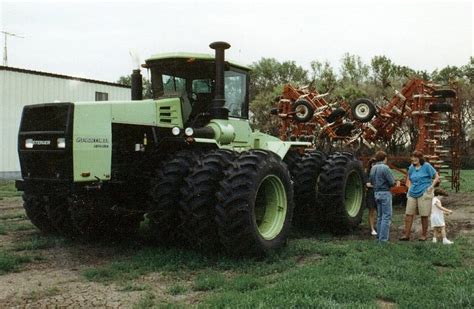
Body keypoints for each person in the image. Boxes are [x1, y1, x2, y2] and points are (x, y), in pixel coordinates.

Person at [400, 151, 440, 241]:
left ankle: (424, 235)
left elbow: (437, 177)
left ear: (420, 158)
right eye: (412, 157)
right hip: (412, 193)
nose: (413, 159)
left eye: (416, 157)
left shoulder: (427, 166)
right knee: (408, 214)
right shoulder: (411, 168)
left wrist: (431, 187)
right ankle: (406, 235)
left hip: (424, 193)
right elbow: (409, 179)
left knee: (424, 215)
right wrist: (409, 189)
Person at [369, 151, 396, 243]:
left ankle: (379, 237)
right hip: (385, 193)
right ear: (385, 158)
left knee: (380, 216)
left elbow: (371, 181)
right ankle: (383, 240)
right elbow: (392, 182)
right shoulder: (385, 168)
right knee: (386, 216)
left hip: (376, 193)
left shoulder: (373, 168)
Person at [365, 158, 377, 236]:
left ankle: (379, 227)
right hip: (371, 194)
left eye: (375, 164)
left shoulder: (379, 172)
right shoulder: (367, 173)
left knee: (380, 212)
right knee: (371, 212)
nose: (374, 165)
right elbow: (367, 184)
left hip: (379, 193)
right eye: (373, 164)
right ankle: (372, 229)